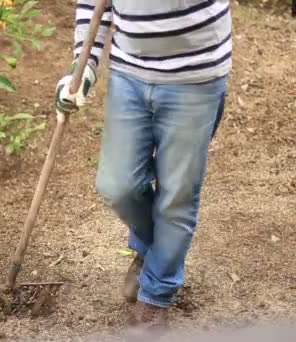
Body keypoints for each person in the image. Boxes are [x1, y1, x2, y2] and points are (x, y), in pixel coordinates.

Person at [55, 0, 232, 338]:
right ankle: (155, 254)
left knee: (176, 195)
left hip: (195, 76)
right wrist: (85, 64)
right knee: (117, 185)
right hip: (129, 72)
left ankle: (155, 297)